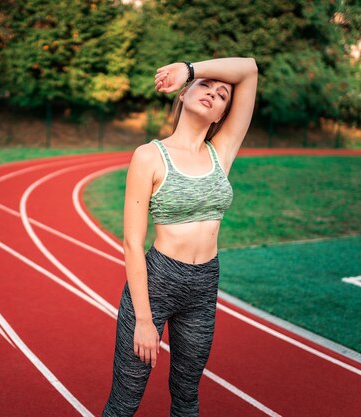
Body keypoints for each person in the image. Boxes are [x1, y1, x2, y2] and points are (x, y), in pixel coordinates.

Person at [102, 57, 258, 417]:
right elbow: (131, 242)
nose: (213, 94)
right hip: (157, 284)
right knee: (125, 401)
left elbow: (248, 70)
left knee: (187, 397)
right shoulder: (149, 156)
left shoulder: (223, 152)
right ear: (185, 95)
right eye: (205, 86)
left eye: (222, 95)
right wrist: (143, 318)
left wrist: (191, 69)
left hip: (204, 285)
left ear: (221, 115)